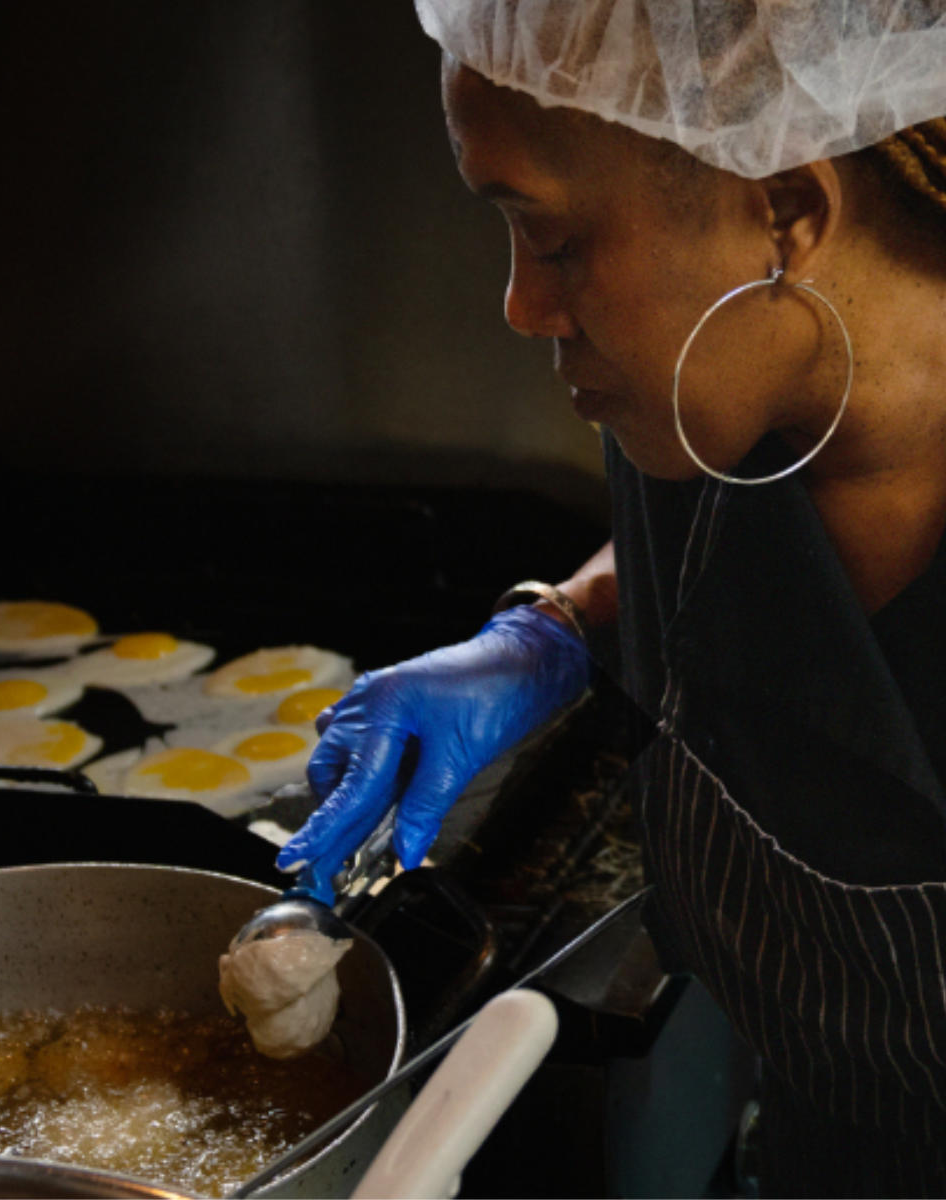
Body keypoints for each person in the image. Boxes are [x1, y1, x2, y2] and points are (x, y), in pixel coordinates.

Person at [275, 2, 946, 1194]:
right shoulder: (716, 394)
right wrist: (555, 627)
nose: (522, 307)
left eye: (555, 240)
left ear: (785, 211)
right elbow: (730, 564)